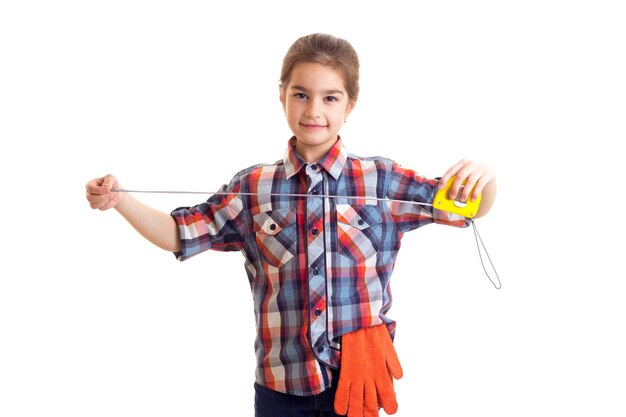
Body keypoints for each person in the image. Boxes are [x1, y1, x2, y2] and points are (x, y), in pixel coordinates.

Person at [86, 33, 496, 417]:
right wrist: (121, 201)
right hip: (280, 389)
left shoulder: (381, 180)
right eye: (301, 94)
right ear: (282, 95)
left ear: (350, 105)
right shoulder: (253, 186)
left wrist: (484, 181)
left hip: (357, 379)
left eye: (330, 97)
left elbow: (467, 209)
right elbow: (181, 233)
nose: (314, 110)